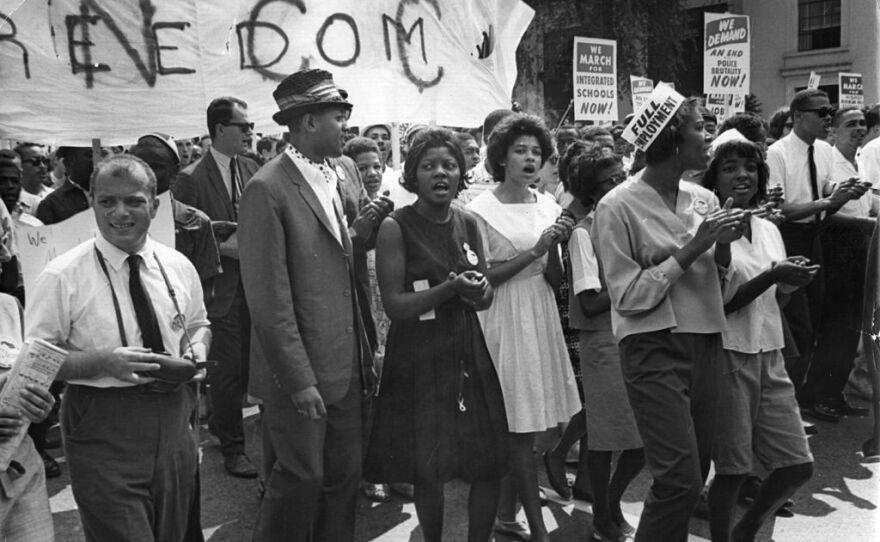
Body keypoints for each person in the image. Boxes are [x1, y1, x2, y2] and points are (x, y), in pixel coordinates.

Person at [25, 154, 211, 541]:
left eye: (134, 201)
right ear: (92, 203)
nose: (120, 213)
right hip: (103, 425)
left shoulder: (177, 265)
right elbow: (37, 363)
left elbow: (199, 324)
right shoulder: (62, 276)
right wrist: (101, 362)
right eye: (107, 202)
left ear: (154, 205)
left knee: (173, 533)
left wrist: (198, 351)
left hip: (175, 418)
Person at [592, 97, 746, 541]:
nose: (709, 138)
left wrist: (721, 247)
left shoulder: (704, 197)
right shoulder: (616, 206)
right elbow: (628, 296)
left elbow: (722, 285)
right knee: (680, 481)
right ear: (672, 141)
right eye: (701, 128)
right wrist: (694, 247)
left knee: (692, 475)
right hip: (653, 345)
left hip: (707, 343)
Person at [239, 68, 378, 542]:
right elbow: (269, 299)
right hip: (301, 373)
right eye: (339, 117)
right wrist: (298, 380)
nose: (348, 127)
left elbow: (344, 269)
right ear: (308, 123)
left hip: (348, 364)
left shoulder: (339, 174)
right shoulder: (268, 187)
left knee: (344, 478)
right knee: (300, 479)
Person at [364, 128, 508, 541]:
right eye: (428, 166)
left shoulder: (467, 222)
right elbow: (395, 306)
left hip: (467, 349)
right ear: (412, 175)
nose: (440, 173)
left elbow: (484, 296)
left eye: (449, 165)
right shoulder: (396, 226)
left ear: (462, 173)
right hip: (419, 357)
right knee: (430, 469)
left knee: (488, 461)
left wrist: (482, 291)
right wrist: (450, 289)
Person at [467, 113, 581, 542]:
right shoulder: (479, 209)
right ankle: (537, 528)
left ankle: (505, 513)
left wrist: (555, 252)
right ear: (501, 156)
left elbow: (552, 276)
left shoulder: (548, 204)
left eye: (536, 152)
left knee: (538, 422)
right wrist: (536, 249)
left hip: (541, 311)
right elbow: (485, 278)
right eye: (520, 150)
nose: (530, 159)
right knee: (518, 426)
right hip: (503, 315)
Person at [702, 140, 815, 542]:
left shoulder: (768, 228)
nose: (742, 175)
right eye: (730, 168)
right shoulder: (710, 230)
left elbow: (778, 296)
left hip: (770, 351)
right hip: (729, 354)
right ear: (714, 178)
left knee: (797, 465)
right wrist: (771, 275)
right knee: (732, 470)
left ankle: (745, 531)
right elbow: (719, 305)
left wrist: (791, 278)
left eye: (750, 167)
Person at [767, 89, 868, 419]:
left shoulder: (823, 151)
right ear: (797, 117)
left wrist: (842, 194)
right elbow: (778, 210)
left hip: (817, 238)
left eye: (829, 112)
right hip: (788, 239)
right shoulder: (777, 153)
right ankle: (787, 405)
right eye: (820, 112)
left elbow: (825, 190)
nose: (827, 118)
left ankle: (811, 396)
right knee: (799, 327)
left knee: (822, 320)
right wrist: (827, 202)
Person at [174, 96, 261, 478]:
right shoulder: (191, 179)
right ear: (219, 129)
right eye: (242, 126)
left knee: (250, 366)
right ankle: (233, 449)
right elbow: (186, 241)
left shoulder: (254, 167)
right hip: (221, 290)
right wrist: (226, 247)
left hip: (257, 286)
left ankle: (238, 431)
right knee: (226, 372)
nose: (249, 132)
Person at [567, 147, 645, 541]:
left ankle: (610, 501)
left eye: (622, 174)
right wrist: (636, 280)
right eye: (609, 181)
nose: (620, 184)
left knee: (643, 438)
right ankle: (602, 513)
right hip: (603, 342)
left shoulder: (632, 221)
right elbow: (590, 301)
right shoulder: (583, 233)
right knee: (605, 438)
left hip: (638, 335)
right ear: (590, 192)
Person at [802, 107, 875, 420]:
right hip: (837, 249)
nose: (859, 129)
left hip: (860, 247)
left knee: (852, 327)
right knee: (837, 326)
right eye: (851, 124)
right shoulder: (827, 160)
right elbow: (827, 204)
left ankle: (834, 392)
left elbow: (867, 203)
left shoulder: (856, 161)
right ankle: (818, 394)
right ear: (833, 131)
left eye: (862, 124)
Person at [0, 292, 56, 542]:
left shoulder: (7, 305)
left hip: (20, 467)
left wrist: (39, 405)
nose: (5, 255)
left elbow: (28, 371)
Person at [35, 146, 93, 225]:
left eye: (102, 155)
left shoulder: (111, 193)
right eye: (90, 156)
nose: (98, 160)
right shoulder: (51, 204)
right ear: (71, 161)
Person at [11, 143, 52, 216]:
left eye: (45, 161)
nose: (43, 166)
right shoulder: (11, 200)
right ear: (19, 165)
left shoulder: (54, 196)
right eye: (36, 161)